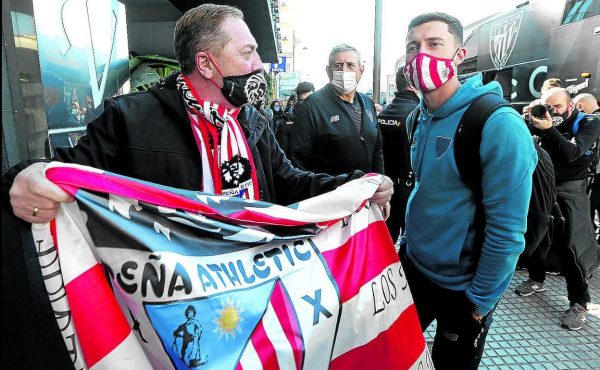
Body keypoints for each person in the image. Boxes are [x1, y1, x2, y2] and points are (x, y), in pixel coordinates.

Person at [2, 5, 393, 366]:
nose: (259, 63)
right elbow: (66, 172)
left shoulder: (252, 121)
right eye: (247, 53)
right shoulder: (131, 119)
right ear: (206, 63)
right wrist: (23, 175)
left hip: (255, 291)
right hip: (174, 306)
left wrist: (357, 185)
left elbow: (291, 182)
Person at [399, 13, 537, 369]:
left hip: (463, 290)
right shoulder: (419, 117)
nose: (420, 56)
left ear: (458, 55)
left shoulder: (498, 124)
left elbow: (507, 231)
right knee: (394, 355)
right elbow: (427, 189)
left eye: (434, 44)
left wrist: (478, 304)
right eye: (413, 47)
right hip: (413, 271)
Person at [522, 88, 600, 330]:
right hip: (544, 185)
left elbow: (572, 153)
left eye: (556, 107)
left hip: (572, 191)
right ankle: (536, 278)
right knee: (536, 233)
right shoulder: (542, 120)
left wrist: (549, 129)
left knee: (570, 244)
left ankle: (579, 302)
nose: (551, 112)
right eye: (547, 107)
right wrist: (525, 123)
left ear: (570, 106)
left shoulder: (588, 122)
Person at [288, 44, 384, 176]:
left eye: (350, 65)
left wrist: (379, 182)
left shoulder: (367, 103)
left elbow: (377, 150)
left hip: (366, 191)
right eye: (337, 66)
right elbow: (298, 160)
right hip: (331, 193)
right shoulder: (312, 106)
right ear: (328, 71)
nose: (344, 71)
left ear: (361, 71)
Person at [377, 66, 420, 242]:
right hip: (409, 188)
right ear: (411, 82)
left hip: (386, 188)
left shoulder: (383, 113)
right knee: (410, 242)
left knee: (386, 243)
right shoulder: (418, 113)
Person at [275, 81, 315, 156]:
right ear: (298, 99)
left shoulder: (319, 116)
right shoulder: (286, 120)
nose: (305, 104)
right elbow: (282, 153)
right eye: (302, 100)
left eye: (309, 100)